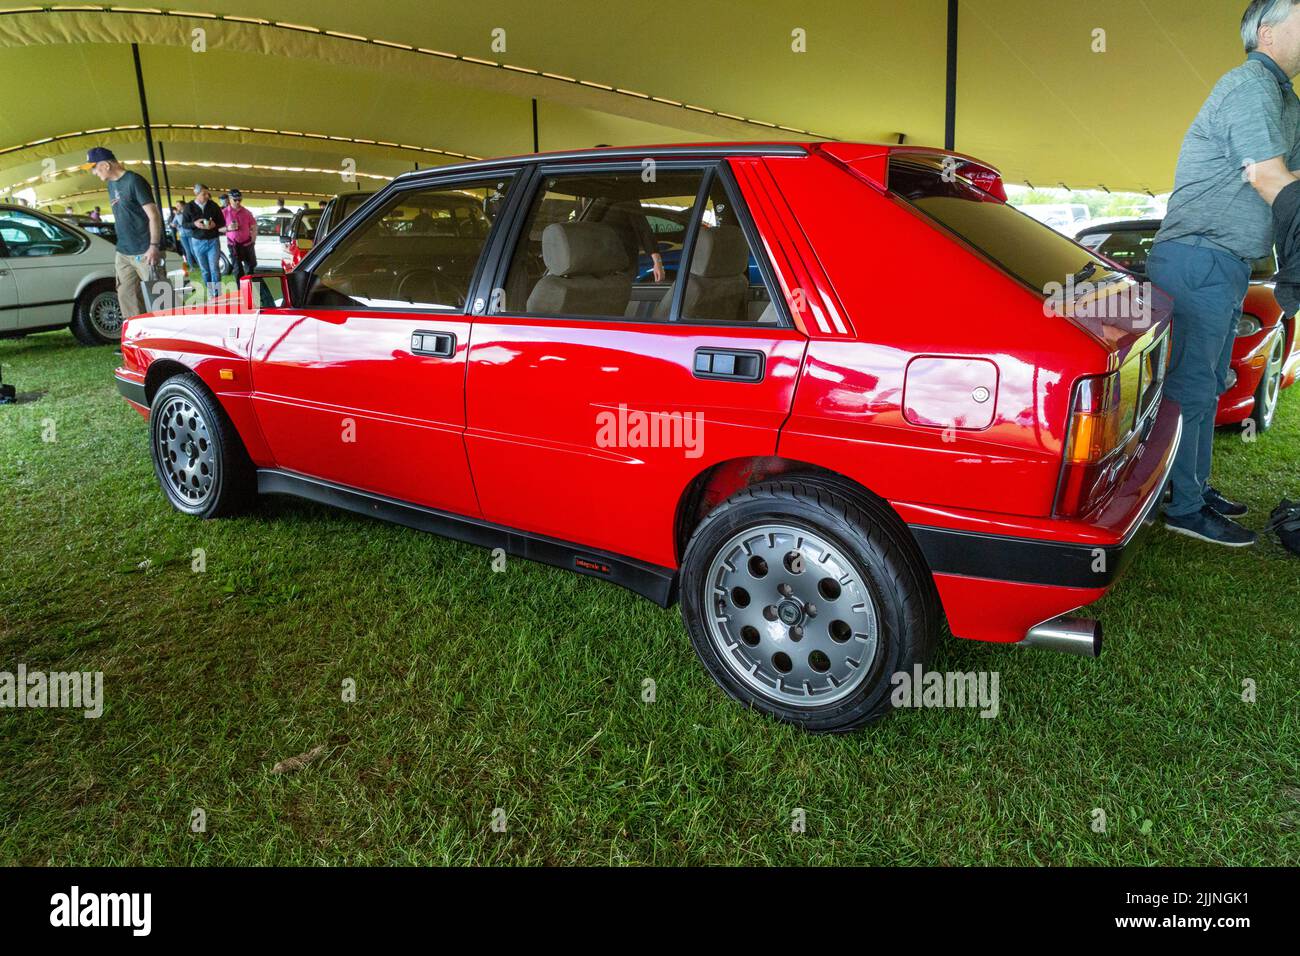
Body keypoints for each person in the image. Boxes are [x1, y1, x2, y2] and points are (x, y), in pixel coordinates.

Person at [1147, 0, 1300, 548]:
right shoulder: (1250, 87)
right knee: (1192, 386)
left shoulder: (1284, 99)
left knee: (1207, 385)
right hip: (1198, 255)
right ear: (1266, 30)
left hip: (1225, 261)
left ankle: (1189, 485)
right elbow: (1268, 176)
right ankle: (1183, 508)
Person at [82, 146, 165, 320]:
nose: (94, 173)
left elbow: (154, 215)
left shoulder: (134, 181)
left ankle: (171, 338)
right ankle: (137, 340)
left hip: (146, 250)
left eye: (94, 167)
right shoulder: (111, 185)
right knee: (126, 297)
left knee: (160, 299)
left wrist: (154, 246)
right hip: (123, 252)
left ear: (105, 165)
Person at [182, 184, 224, 299]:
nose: (206, 196)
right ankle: (211, 293)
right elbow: (184, 224)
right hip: (197, 241)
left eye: (207, 194)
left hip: (213, 240)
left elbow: (222, 222)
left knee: (214, 268)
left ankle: (217, 294)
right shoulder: (189, 207)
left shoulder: (213, 205)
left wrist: (215, 224)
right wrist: (194, 224)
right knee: (205, 270)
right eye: (203, 194)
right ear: (196, 193)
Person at [222, 189, 258, 279]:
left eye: (240, 199)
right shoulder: (224, 212)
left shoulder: (246, 212)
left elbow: (254, 226)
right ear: (229, 199)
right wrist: (228, 228)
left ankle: (253, 289)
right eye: (235, 200)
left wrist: (253, 240)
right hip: (233, 245)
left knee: (251, 268)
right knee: (238, 270)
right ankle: (240, 291)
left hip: (247, 244)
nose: (238, 202)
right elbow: (217, 229)